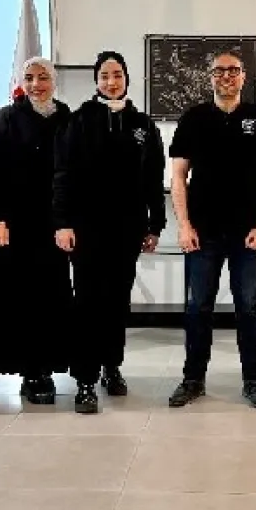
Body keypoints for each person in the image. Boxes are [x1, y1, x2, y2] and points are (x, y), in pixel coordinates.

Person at [167, 52, 256, 411]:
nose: (226, 76)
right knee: (197, 307)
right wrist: (183, 225)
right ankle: (193, 379)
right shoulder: (194, 119)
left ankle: (253, 381)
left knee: (248, 308)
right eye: (219, 71)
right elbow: (178, 177)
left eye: (233, 70)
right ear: (211, 76)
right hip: (202, 233)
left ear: (244, 76)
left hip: (248, 234)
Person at [54, 51, 166, 414]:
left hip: (127, 229)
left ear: (126, 78)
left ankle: (111, 366)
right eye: (104, 75)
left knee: (117, 301)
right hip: (86, 229)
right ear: (96, 80)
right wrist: (62, 222)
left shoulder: (142, 124)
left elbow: (153, 178)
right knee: (87, 302)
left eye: (117, 75)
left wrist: (155, 225)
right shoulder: (78, 120)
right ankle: (85, 380)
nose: (111, 81)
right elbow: (62, 174)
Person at [0, 57, 73, 405]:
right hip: (15, 225)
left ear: (54, 80)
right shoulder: (5, 119)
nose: (36, 84)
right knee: (20, 298)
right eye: (29, 77)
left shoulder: (67, 118)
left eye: (43, 77)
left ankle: (47, 367)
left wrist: (68, 220)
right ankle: (29, 371)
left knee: (51, 297)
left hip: (54, 224)